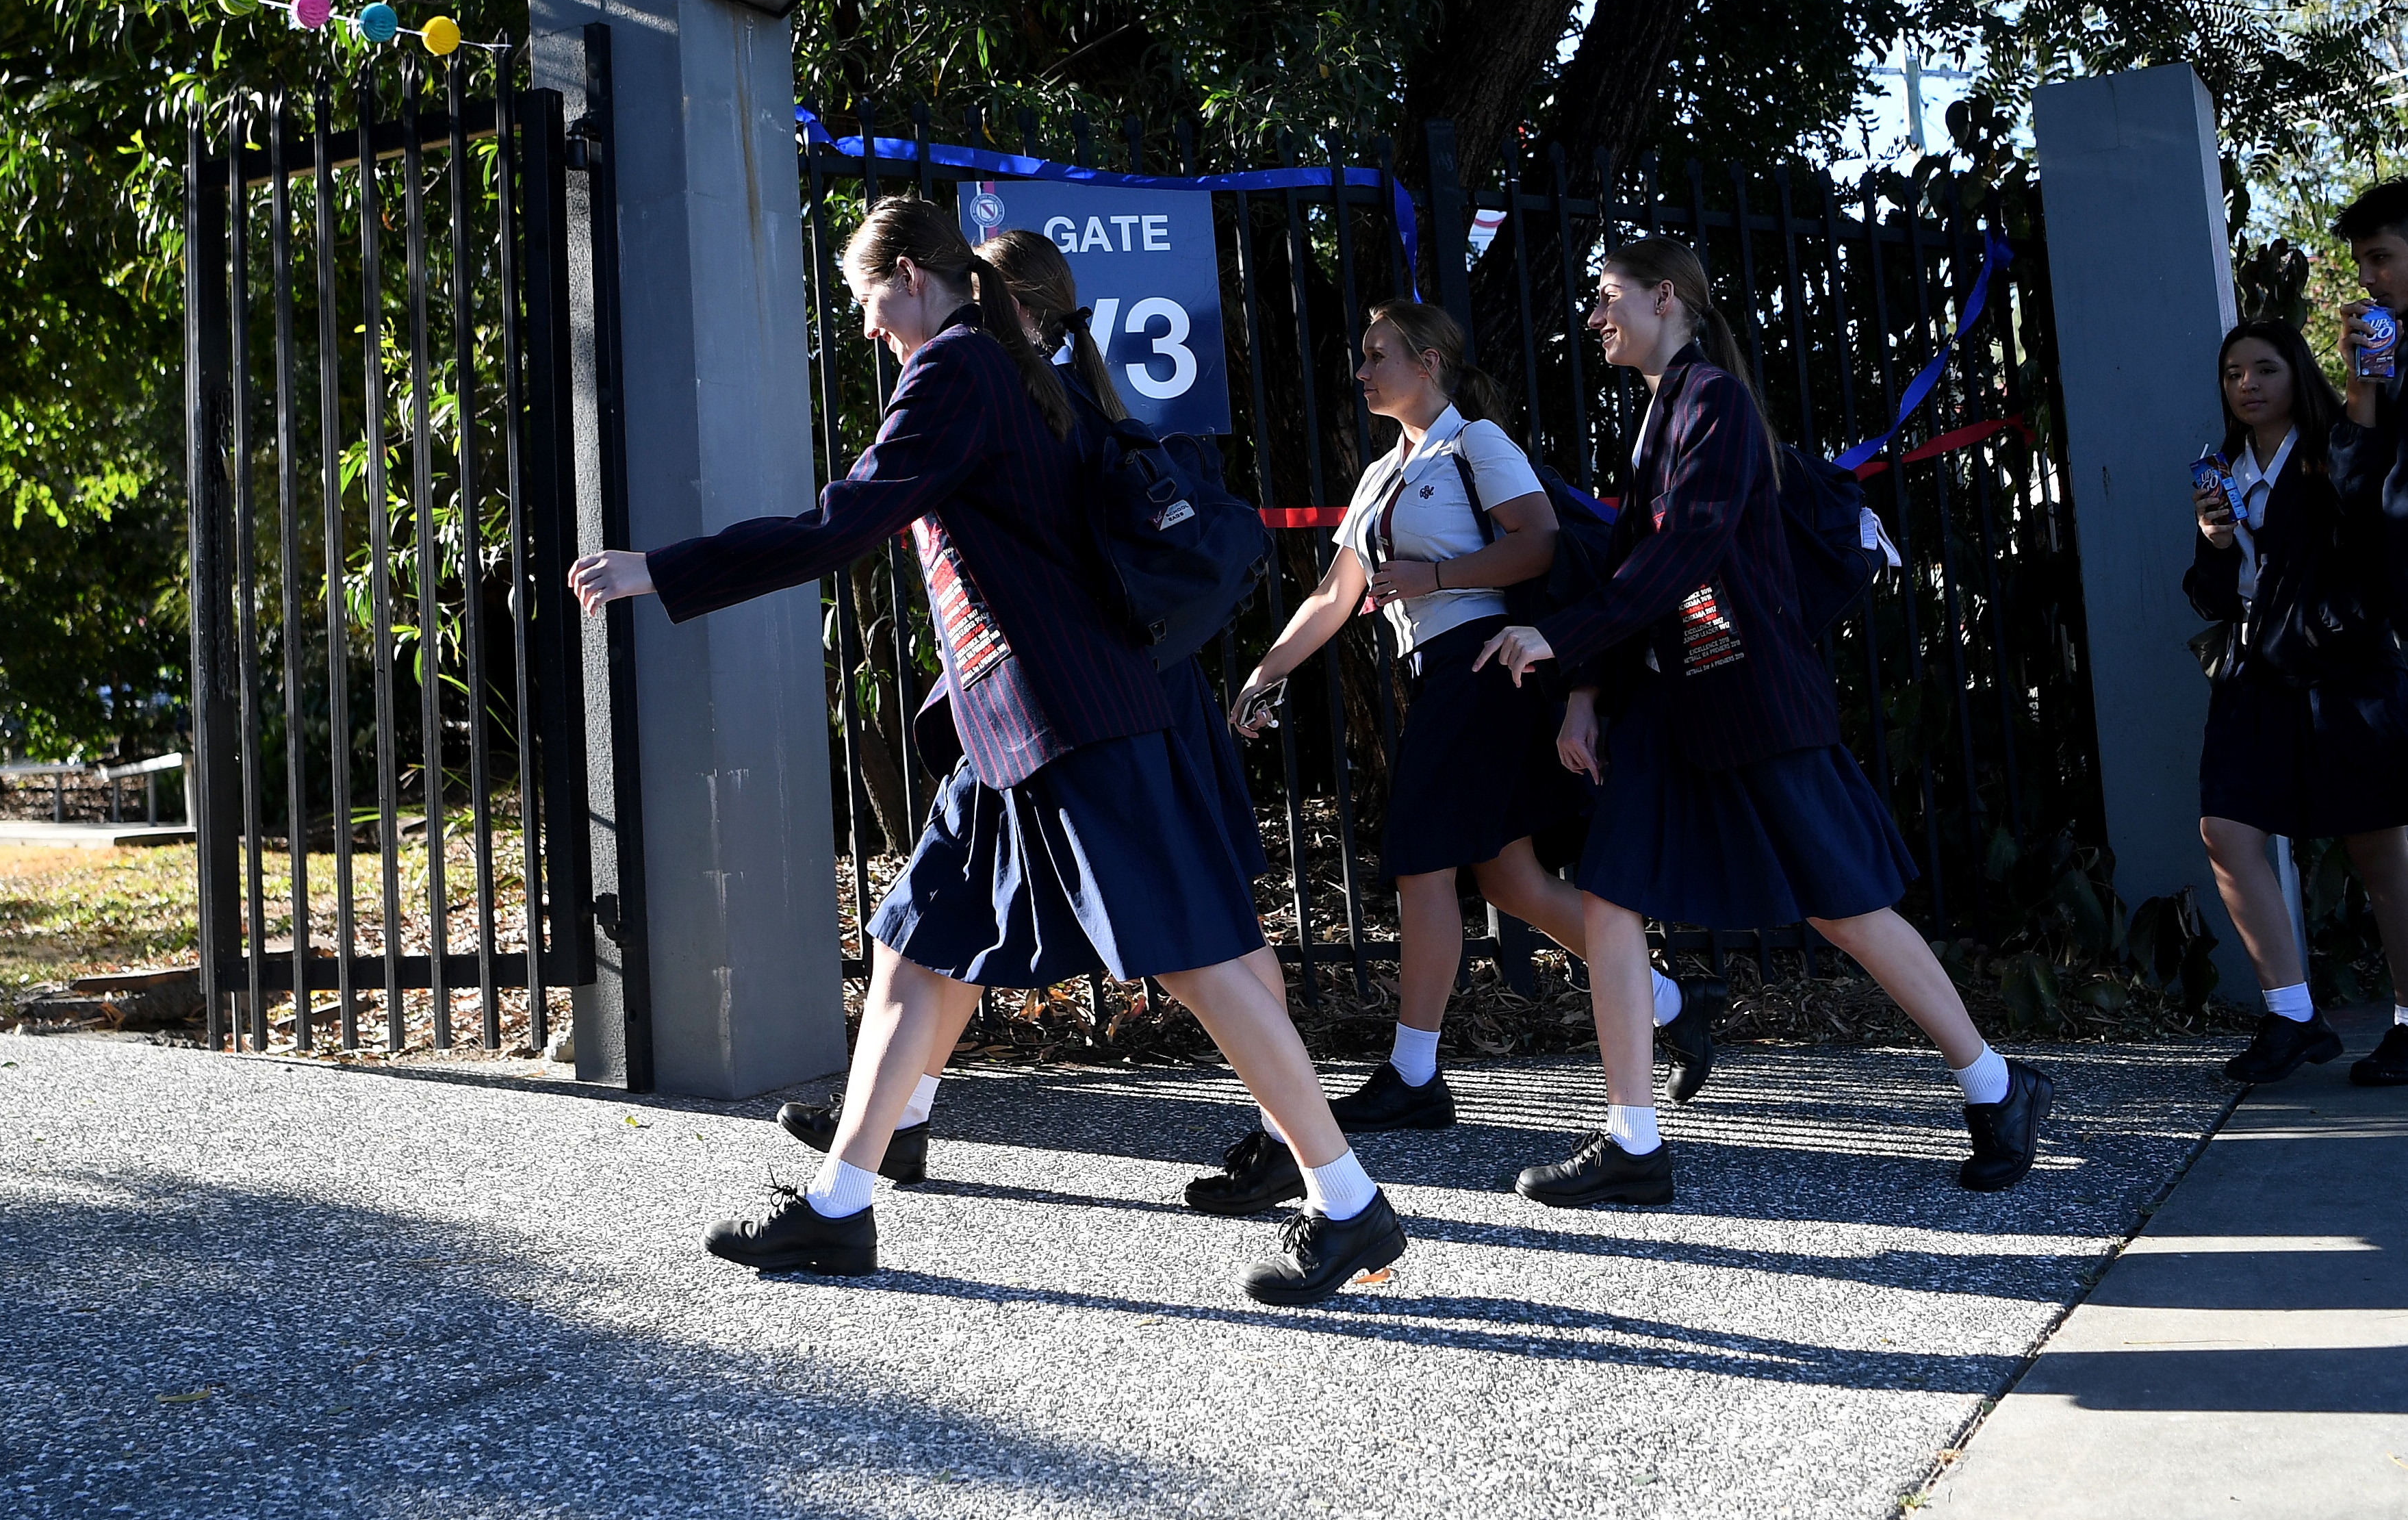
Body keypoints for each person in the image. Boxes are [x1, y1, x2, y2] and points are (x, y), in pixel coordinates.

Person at [567, 197, 1405, 1304]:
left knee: (1196, 955)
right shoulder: (1009, 364)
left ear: (913, 275)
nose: (866, 327)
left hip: (1068, 719)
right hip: (1012, 727)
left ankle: (1351, 1206)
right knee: (921, 947)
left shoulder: (960, 367)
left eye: (867, 300)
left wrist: (659, 570)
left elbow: (843, 523)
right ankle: (840, 1205)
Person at [1476, 236, 2050, 1204]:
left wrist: (1559, 639)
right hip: (1671, 703)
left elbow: (1689, 551)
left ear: (1666, 299)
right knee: (1611, 896)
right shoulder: (1664, 410)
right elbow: (1635, 569)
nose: (1593, 317)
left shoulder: (1716, 404)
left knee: (1846, 907)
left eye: (1608, 296)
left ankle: (1998, 1087)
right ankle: (1632, 1142)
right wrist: (1588, 694)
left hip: (1748, 700)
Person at [772, 226, 1297, 1203]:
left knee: (1207, 934)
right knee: (937, 925)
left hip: (1104, 694)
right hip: (1048, 700)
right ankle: (891, 1127)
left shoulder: (1020, 391)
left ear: (1003, 304)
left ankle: (1302, 1148)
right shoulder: (1046, 388)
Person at [1210, 299, 1727, 1201]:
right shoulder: (1380, 476)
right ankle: (1676, 1005)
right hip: (1444, 678)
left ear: (1433, 360)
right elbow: (1337, 595)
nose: (1363, 372)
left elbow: (1540, 544)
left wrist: (1436, 576)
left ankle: (1415, 1076)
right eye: (1362, 357)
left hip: (1484, 671)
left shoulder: (1475, 443)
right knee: (1509, 882)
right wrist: (1264, 672)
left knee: (1421, 862)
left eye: (1379, 356)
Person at [2190, 314, 2408, 1082]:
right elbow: (2210, 593)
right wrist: (2215, 547)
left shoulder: (2332, 454)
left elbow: (2373, 545)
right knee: (2225, 828)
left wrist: (2363, 391)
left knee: (2378, 854)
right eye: (2232, 374)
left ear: (2297, 378)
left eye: (2264, 370)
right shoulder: (2218, 467)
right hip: (2255, 676)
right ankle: (2290, 1015)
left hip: (2343, 674)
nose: (2246, 385)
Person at [2327, 179, 2408, 1088]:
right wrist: (2360, 389)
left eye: (2383, 257)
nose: (2372, 281)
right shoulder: (2388, 356)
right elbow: (2356, 494)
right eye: (2364, 265)